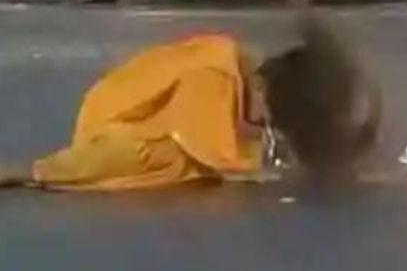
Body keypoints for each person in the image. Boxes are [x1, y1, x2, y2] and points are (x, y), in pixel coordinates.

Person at [0, 17, 380, 191]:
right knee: (167, 157)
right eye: (268, 121)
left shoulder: (240, 65)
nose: (264, 127)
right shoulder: (212, 82)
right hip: (111, 124)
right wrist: (34, 171)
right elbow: (211, 149)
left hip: (137, 103)